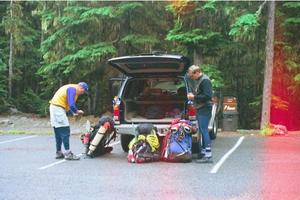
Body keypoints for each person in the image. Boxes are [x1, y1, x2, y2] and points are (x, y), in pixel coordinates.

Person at [49, 82, 89, 160]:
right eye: (83, 91)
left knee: (58, 132)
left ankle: (59, 152)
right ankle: (68, 154)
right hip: (58, 109)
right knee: (65, 131)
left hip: (54, 107)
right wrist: (77, 112)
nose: (82, 93)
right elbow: (71, 104)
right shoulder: (72, 89)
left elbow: (68, 103)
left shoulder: (71, 89)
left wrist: (74, 112)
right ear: (81, 87)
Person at [186, 65, 213, 163]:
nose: (192, 78)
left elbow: (207, 95)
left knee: (204, 130)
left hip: (205, 108)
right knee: (201, 130)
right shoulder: (200, 80)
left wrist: (194, 97)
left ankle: (208, 156)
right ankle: (203, 152)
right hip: (201, 108)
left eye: (192, 76)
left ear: (197, 72)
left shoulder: (205, 81)